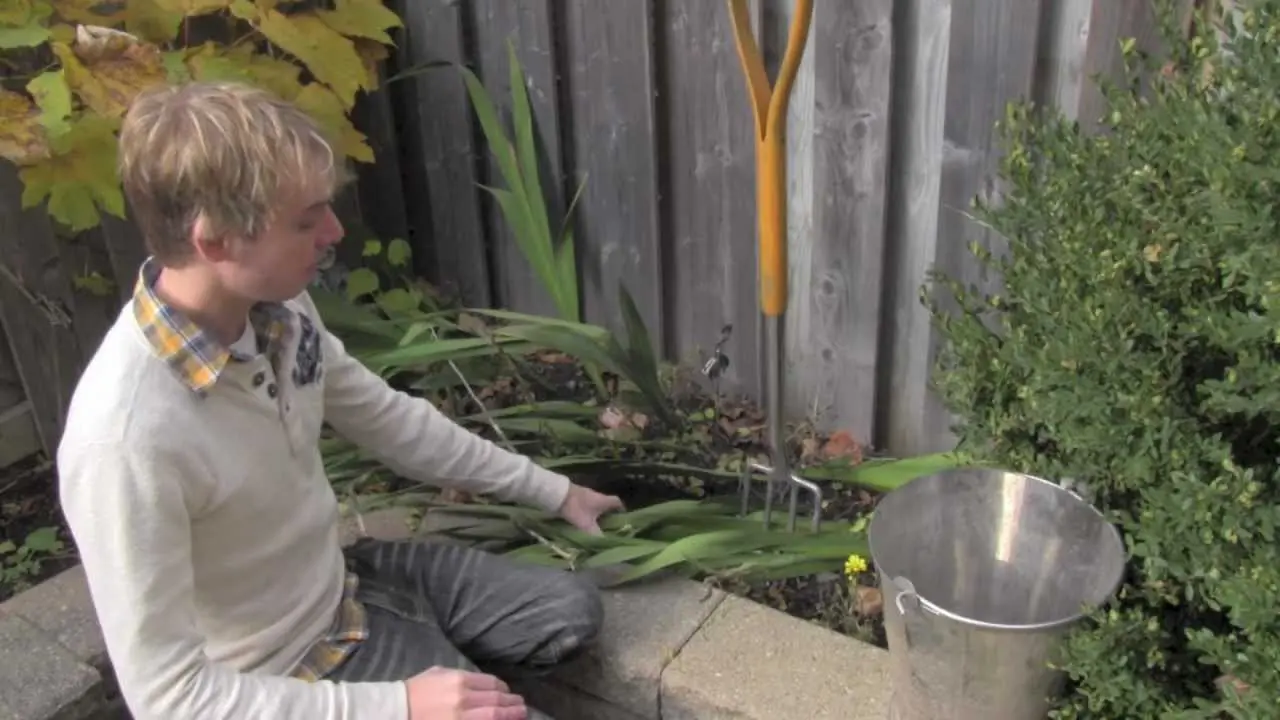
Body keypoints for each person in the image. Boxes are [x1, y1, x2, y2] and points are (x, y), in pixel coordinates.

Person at [56, 80, 624, 720]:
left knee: (570, 611)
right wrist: (401, 704)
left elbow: (388, 419)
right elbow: (169, 700)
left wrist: (553, 490)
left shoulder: (275, 311)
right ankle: (427, 668)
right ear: (214, 241)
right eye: (304, 220)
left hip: (350, 584)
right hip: (288, 669)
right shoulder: (125, 440)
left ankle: (424, 651)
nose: (333, 230)